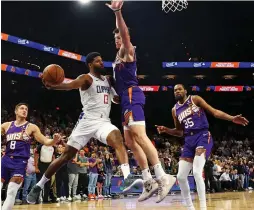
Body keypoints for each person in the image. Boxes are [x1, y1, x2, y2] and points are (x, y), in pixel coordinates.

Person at [27, 52, 141, 204]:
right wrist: (54, 85)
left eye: (102, 61)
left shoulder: (107, 80)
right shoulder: (86, 78)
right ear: (90, 65)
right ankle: (39, 186)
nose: (102, 63)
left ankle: (127, 177)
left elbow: (114, 99)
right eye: (98, 62)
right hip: (86, 122)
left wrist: (119, 96)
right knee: (65, 157)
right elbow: (70, 86)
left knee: (117, 138)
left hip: (103, 122)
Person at [106, 0, 176, 203]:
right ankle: (148, 181)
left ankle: (163, 177)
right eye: (116, 38)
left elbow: (125, 34)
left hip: (132, 95)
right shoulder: (117, 60)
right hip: (124, 98)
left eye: (120, 36)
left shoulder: (128, 51)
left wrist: (118, 13)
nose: (118, 40)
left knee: (139, 135)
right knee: (129, 141)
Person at [156, 84, 249, 210]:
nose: (177, 91)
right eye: (175, 90)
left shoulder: (195, 99)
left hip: (202, 136)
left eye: (179, 89)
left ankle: (203, 208)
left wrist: (232, 118)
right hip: (188, 140)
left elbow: (215, 112)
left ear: (185, 91)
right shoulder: (174, 110)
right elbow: (180, 132)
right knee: (181, 176)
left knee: (196, 172)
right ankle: (190, 207)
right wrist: (166, 130)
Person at [1, 103, 61, 210]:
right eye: (22, 108)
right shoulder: (7, 125)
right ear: (16, 111)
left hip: (20, 162)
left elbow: (45, 141)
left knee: (11, 190)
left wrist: (54, 140)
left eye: (26, 109)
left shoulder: (31, 127)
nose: (24, 110)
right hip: (5, 160)